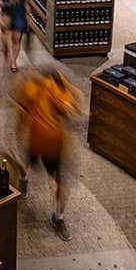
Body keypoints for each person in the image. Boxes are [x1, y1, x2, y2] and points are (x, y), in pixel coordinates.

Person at [12, 69, 81, 241]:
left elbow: (73, 109)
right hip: (36, 141)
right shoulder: (35, 88)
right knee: (25, 165)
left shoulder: (60, 89)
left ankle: (58, 218)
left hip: (54, 146)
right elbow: (23, 108)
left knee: (61, 182)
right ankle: (23, 180)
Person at [0, 0, 31, 72]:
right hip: (7, 14)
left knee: (16, 40)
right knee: (5, 38)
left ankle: (14, 62)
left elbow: (26, 4)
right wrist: (1, 4)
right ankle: (5, 47)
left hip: (18, 15)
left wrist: (28, 16)